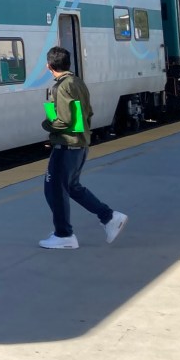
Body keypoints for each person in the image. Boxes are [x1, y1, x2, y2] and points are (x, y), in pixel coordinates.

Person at [38, 46, 128, 249]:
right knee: (72, 187)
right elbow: (87, 113)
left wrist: (47, 126)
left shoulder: (60, 87)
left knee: (53, 189)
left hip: (66, 145)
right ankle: (109, 217)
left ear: (49, 66)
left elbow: (65, 120)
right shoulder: (78, 82)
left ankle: (64, 235)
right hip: (79, 144)